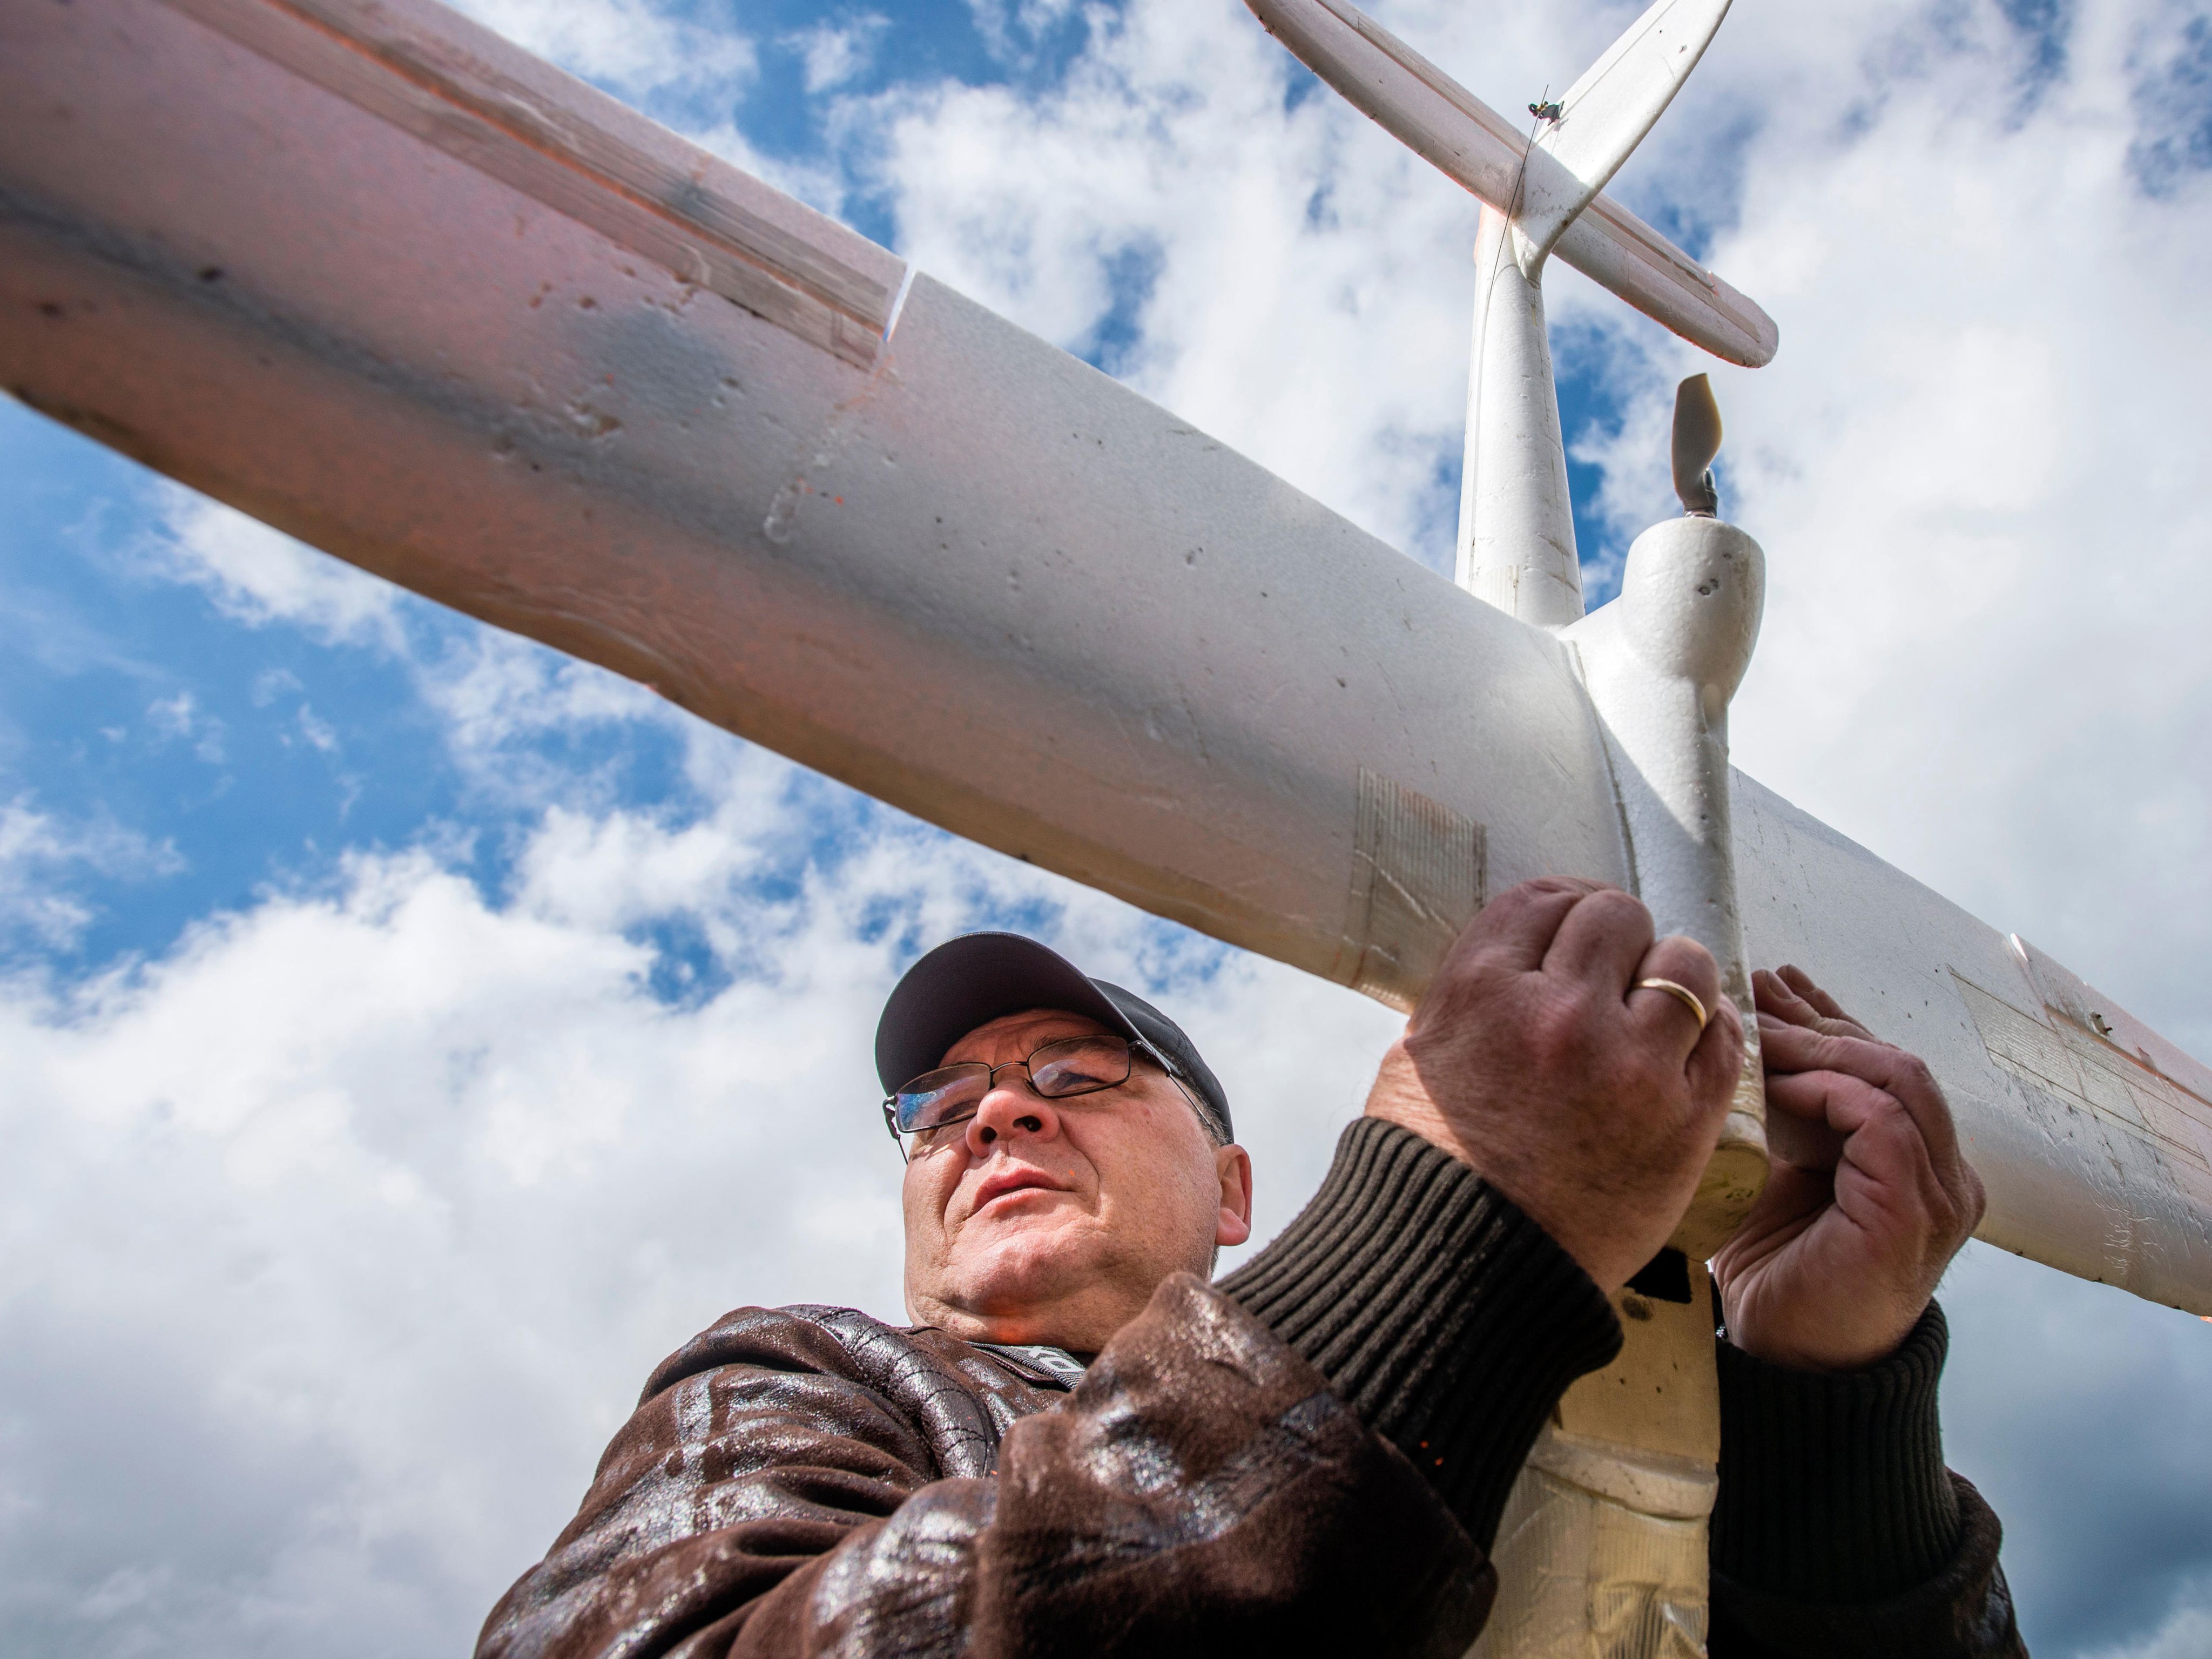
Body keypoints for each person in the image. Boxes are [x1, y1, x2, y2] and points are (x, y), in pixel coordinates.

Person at [476, 878, 2019, 1658]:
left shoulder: (1526, 1389)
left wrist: (1835, 1427)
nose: (997, 1108)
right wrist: (1441, 1230)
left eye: (1082, 1073)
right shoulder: (797, 1387)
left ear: (1232, 1189)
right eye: (941, 1108)